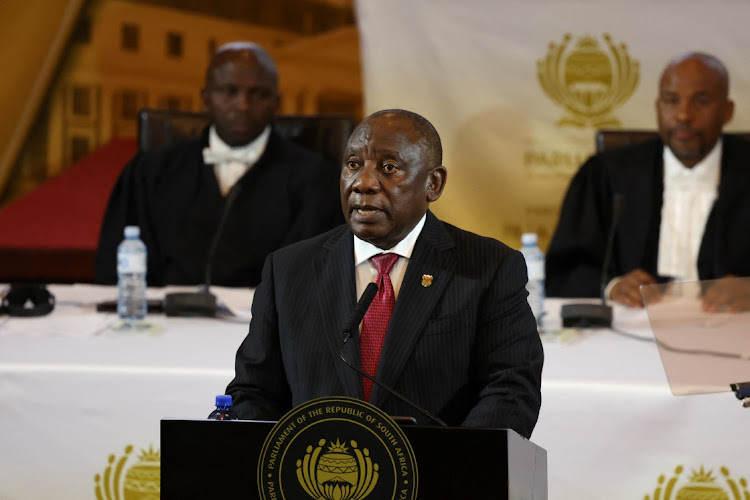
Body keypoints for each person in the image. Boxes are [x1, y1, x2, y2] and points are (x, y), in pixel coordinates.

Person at [226, 109, 544, 438]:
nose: (363, 183)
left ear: (433, 184)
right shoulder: (288, 269)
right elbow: (253, 392)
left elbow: (510, 391)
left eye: (388, 167)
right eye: (353, 164)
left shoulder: (488, 267)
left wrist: (456, 468)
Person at [94, 42, 343, 287]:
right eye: (229, 91)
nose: (243, 105)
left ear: (276, 103)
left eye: (259, 94)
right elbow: (114, 270)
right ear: (206, 99)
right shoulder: (149, 172)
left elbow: (315, 280)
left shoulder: (316, 180)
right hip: (166, 322)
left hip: (266, 324)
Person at [546, 52, 750, 307]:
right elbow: (564, 270)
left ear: (727, 111)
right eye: (671, 100)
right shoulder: (608, 174)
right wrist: (612, 286)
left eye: (701, 101)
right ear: (657, 107)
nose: (683, 115)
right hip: (632, 332)